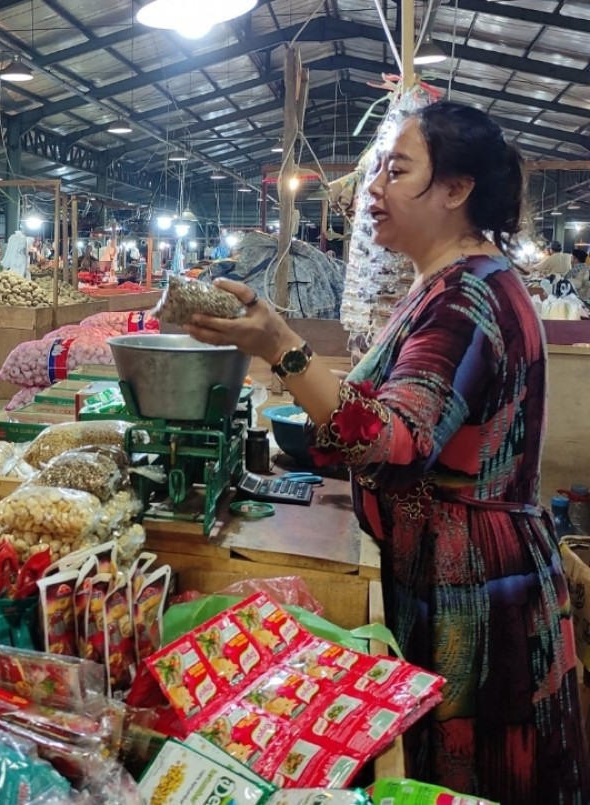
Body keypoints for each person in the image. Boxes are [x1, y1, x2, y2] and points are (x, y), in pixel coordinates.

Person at [185, 102, 590, 804]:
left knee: (472, 773)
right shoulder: (439, 284)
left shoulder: (470, 298)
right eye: (376, 169)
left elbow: (393, 442)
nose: (372, 188)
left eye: (397, 170)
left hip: (476, 592)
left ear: (457, 188)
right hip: (444, 567)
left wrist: (279, 345)